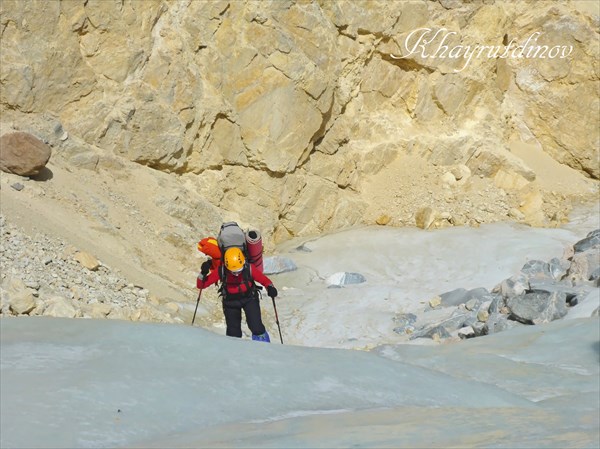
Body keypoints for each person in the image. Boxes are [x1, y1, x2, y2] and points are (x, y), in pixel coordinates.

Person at [197, 247, 278, 342]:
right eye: (234, 272)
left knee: (256, 326)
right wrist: (203, 273)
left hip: (249, 299)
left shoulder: (249, 268)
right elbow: (201, 285)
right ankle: (235, 353)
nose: (236, 274)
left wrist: (270, 287)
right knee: (233, 332)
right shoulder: (222, 270)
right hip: (230, 302)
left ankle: (265, 349)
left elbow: (264, 280)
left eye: (239, 271)